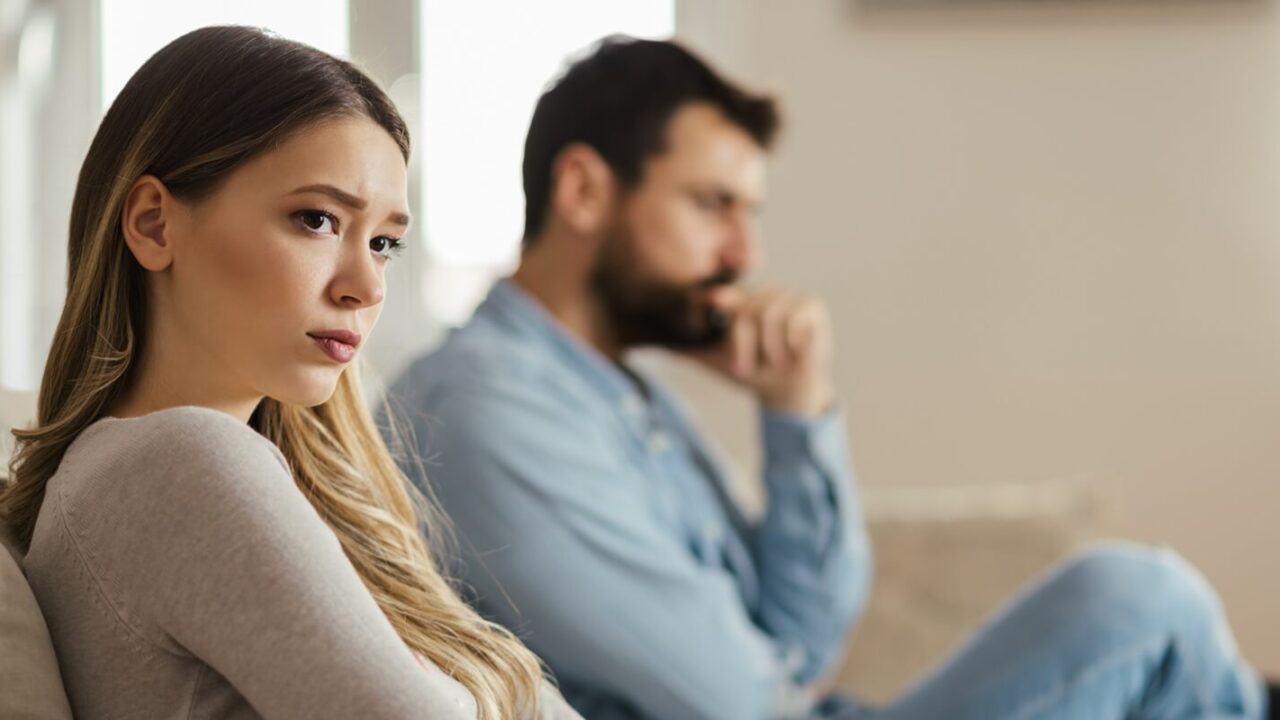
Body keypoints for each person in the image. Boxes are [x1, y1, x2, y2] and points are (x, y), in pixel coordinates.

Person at [386, 36, 1275, 720]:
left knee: (1158, 644)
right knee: (1136, 601)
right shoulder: (484, 410)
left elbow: (807, 641)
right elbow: (744, 702)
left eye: (750, 213)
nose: (747, 254)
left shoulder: (619, 392)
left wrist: (795, 413)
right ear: (583, 192)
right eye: (712, 206)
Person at [1, 25, 581, 720]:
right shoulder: (179, 463)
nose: (366, 286)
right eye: (316, 219)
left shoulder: (141, 476)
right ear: (155, 225)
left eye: (385, 242)